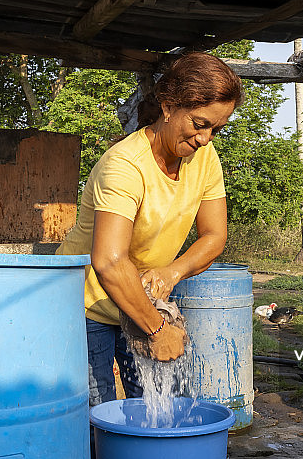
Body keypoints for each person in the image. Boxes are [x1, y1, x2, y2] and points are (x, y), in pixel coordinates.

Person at [56, 51, 245, 406]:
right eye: (199, 124)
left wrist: (172, 272)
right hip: (85, 306)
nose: (206, 139)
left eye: (217, 129)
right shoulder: (125, 166)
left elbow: (214, 236)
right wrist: (158, 330)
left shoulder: (204, 158)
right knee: (99, 417)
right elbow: (110, 262)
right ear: (169, 106)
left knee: (163, 407)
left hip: (140, 302)